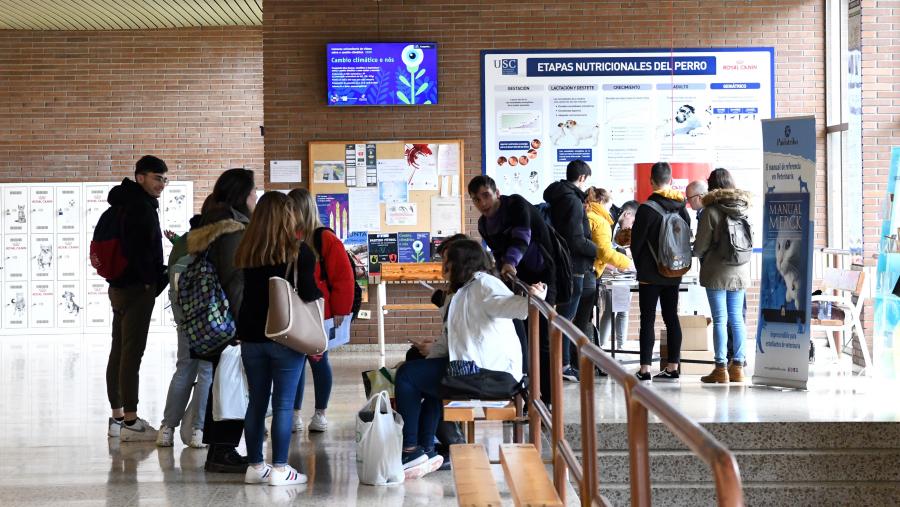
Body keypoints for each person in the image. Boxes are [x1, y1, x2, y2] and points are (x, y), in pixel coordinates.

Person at [393, 239, 546, 479]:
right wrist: (427, 358)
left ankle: (410, 451)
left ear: (461, 263)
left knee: (406, 376)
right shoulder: (464, 291)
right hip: (477, 369)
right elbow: (450, 338)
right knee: (423, 377)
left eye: (447, 262)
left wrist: (534, 298)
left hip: (490, 374)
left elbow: (512, 307)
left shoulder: (484, 284)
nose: (443, 269)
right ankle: (427, 451)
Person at [236, 192, 319, 487]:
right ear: (287, 216)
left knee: (256, 402)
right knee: (283, 403)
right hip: (285, 333)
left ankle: (255, 466)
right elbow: (309, 293)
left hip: (250, 336)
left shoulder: (247, 251)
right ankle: (281, 469)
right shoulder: (299, 252)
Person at [186, 168, 256, 472]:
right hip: (228, 319)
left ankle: (220, 449)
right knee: (231, 382)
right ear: (242, 195)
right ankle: (222, 450)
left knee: (222, 380)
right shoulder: (232, 229)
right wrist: (243, 324)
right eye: (253, 192)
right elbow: (235, 279)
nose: (256, 198)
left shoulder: (211, 223)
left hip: (212, 317)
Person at [469, 175, 557, 401]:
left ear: (497, 193)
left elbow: (522, 237)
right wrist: (502, 274)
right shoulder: (483, 224)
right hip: (518, 279)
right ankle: (526, 394)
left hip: (544, 274)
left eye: (486, 195)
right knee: (522, 337)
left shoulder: (516, 204)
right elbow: (498, 254)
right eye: (476, 199)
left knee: (542, 338)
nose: (482, 203)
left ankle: (547, 399)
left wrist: (509, 263)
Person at [105, 155, 169, 441]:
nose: (162, 184)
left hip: (118, 286)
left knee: (118, 350)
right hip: (136, 289)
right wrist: (150, 281)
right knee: (132, 353)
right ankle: (131, 422)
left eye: (165, 179)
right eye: (157, 178)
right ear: (140, 177)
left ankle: (117, 418)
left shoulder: (121, 202)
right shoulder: (141, 207)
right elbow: (140, 250)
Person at [288, 188, 354, 434]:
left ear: (302, 210)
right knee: (294, 362)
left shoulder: (325, 238)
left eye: (292, 209)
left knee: (318, 360)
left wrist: (341, 310)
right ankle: (294, 413)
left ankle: (320, 413)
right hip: (294, 311)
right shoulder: (287, 236)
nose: (288, 214)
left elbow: (343, 278)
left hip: (319, 312)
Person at [156, 216, 213, 448]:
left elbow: (174, 296)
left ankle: (166, 429)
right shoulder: (212, 263)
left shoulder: (179, 262)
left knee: (183, 372)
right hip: (210, 329)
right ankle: (198, 430)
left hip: (185, 326)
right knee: (206, 374)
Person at [630, 162, 691, 382]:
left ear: (651, 181)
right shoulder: (681, 207)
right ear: (671, 180)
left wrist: (641, 266)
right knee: (671, 317)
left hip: (649, 274)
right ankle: (672, 367)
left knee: (647, 319)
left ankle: (645, 369)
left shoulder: (646, 209)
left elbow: (636, 244)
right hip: (674, 271)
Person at [692, 168, 751, 383]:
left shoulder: (711, 211)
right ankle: (738, 367)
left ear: (711, 186)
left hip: (716, 271)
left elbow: (700, 247)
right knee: (737, 319)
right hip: (740, 270)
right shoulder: (743, 208)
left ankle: (720, 368)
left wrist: (694, 251)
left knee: (720, 319)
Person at [543, 160, 598, 381]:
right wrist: (597, 249)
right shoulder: (573, 201)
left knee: (564, 316)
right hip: (573, 266)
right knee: (566, 319)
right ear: (582, 178)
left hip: (562, 263)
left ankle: (561, 363)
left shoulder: (558, 196)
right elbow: (576, 240)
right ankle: (564, 365)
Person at [576, 188, 633, 357]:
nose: (610, 211)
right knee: (582, 320)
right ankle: (579, 360)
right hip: (588, 273)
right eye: (609, 206)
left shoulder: (585, 214)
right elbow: (605, 253)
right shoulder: (600, 221)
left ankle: (572, 358)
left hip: (579, 271)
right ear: (601, 203)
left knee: (576, 318)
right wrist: (627, 263)